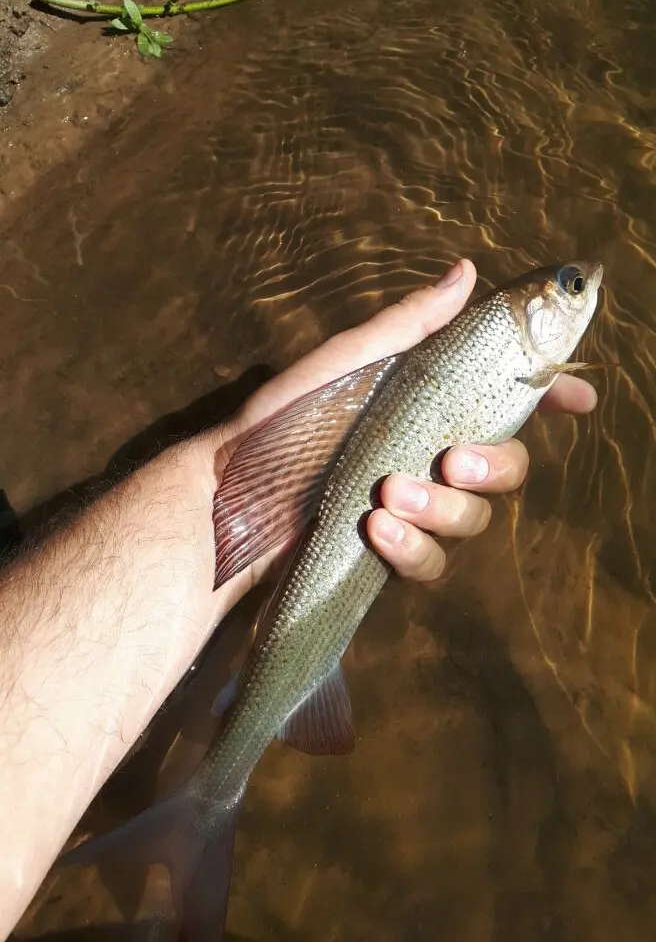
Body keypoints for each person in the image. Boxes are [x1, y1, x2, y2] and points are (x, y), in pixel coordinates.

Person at [0, 259, 597, 937]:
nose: (585, 291)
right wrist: (228, 483)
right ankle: (203, 807)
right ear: (532, 314)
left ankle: (182, 823)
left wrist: (220, 484)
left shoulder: (514, 353)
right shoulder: (516, 353)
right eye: (573, 286)